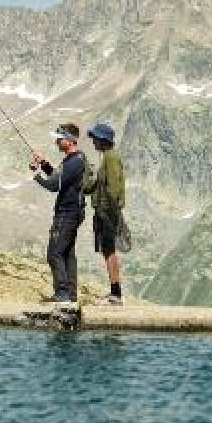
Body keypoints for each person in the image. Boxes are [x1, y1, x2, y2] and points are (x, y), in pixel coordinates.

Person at [31, 123, 86, 303]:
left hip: (66, 214)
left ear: (70, 141)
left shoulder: (74, 162)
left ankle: (62, 293)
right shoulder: (75, 160)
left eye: (59, 138)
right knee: (67, 253)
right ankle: (70, 295)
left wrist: (37, 175)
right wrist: (45, 164)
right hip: (73, 212)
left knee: (54, 253)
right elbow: (60, 177)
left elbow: (54, 185)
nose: (56, 141)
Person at [87, 122, 127, 305]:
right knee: (107, 251)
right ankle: (114, 292)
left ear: (103, 140)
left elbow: (113, 188)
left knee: (109, 251)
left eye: (95, 138)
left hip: (107, 213)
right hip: (106, 212)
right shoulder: (108, 157)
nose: (93, 141)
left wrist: (110, 212)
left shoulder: (111, 158)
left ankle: (115, 294)